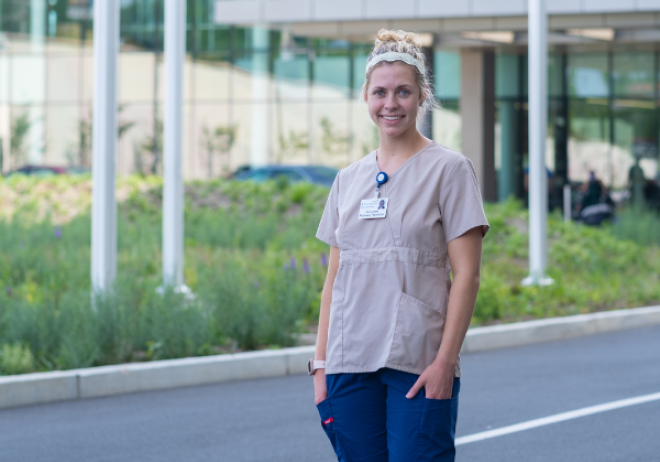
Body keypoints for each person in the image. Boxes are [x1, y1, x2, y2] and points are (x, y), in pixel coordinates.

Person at [310, 29, 489, 462]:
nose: (391, 104)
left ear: (422, 95)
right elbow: (333, 278)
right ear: (366, 98)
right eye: (381, 93)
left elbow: (467, 274)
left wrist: (445, 362)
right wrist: (320, 366)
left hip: (418, 359)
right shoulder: (347, 180)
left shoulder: (450, 170)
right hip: (348, 361)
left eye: (403, 92)